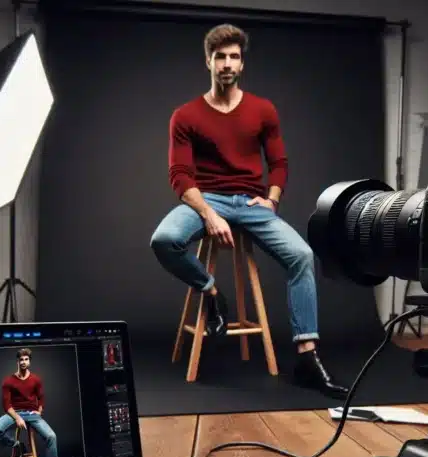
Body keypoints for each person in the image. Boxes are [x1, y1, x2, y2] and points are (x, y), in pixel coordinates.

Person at [149, 23, 349, 399]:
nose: (227, 64)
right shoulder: (186, 115)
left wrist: (271, 199)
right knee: (165, 240)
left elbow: (279, 162)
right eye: (220, 56)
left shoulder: (262, 110)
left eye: (234, 57)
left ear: (242, 64)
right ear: (208, 61)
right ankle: (210, 291)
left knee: (302, 255)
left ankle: (307, 357)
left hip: (252, 202)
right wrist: (208, 213)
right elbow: (179, 175)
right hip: (205, 198)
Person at [0, 348, 59, 457]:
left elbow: (41, 398)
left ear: (29, 362)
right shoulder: (8, 381)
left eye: (26, 359)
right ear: (18, 362)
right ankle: (16, 444)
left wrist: (39, 412)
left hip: (31, 414)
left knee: (51, 437)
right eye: (21, 360)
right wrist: (17, 418)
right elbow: (6, 405)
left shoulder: (36, 379)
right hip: (15, 413)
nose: (24, 362)